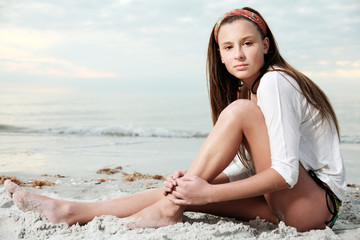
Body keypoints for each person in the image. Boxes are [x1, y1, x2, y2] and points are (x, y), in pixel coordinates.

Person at [4, 7, 346, 232]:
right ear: (220, 56)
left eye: (247, 43)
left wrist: (208, 193)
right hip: (290, 208)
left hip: (311, 206)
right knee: (176, 190)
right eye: (228, 47)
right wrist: (198, 183)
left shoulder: (275, 81)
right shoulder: (248, 92)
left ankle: (167, 210)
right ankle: (70, 211)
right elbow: (260, 165)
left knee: (198, 182)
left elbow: (284, 173)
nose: (238, 54)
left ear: (266, 45)